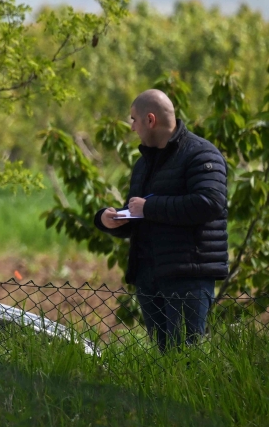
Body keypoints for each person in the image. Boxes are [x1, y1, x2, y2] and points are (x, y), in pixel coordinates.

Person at [95, 89, 228, 351]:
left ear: (150, 120)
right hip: (149, 275)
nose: (132, 127)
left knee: (185, 358)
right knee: (163, 357)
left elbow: (210, 203)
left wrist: (150, 207)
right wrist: (108, 219)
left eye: (133, 119)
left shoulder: (201, 154)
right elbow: (142, 214)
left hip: (187, 276)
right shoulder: (143, 164)